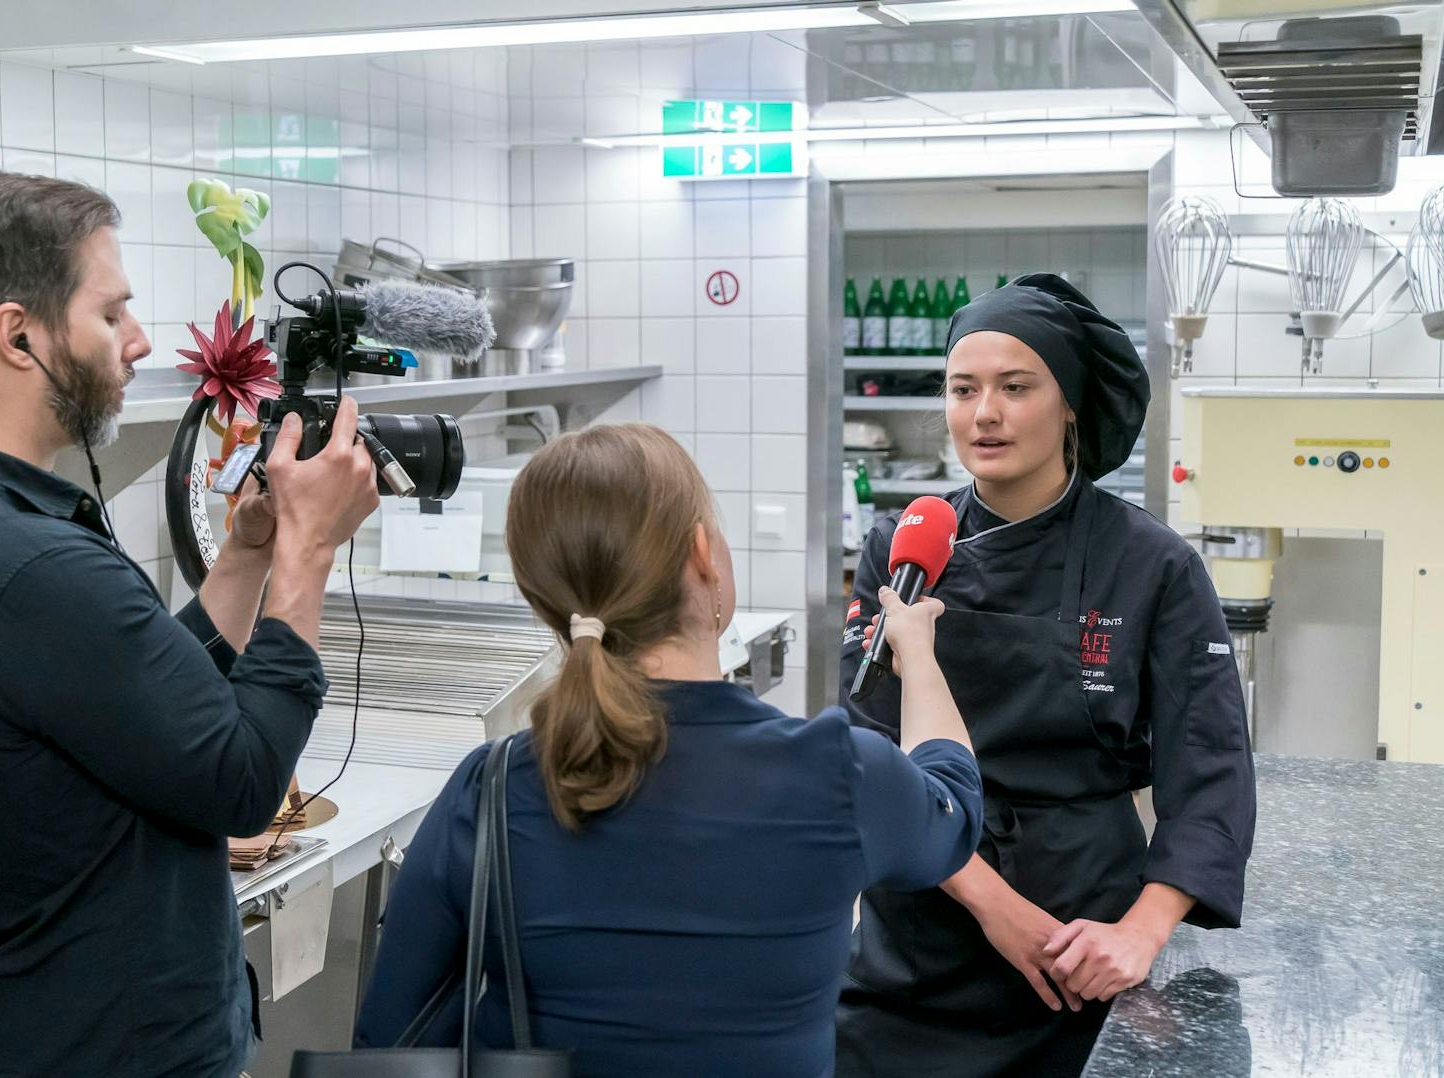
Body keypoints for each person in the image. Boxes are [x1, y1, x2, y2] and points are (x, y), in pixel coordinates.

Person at [0, 172, 381, 1076]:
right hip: (113, 1047)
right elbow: (242, 779)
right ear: (17, 335)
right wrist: (309, 549)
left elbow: (134, 699)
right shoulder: (31, 566)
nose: (140, 341)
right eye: (113, 314)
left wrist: (248, 552)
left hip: (50, 1023)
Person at [355, 422, 983, 1077]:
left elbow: (394, 1037)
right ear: (702, 555)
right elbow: (956, 810)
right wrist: (916, 652)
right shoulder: (841, 774)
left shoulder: (492, 788)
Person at [836, 273, 1257, 1077]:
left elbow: (1210, 771)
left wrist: (1140, 932)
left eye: (1015, 387)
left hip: (1082, 952)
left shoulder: (1151, 564)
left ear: (1070, 404)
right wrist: (997, 909)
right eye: (964, 389)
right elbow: (872, 761)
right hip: (922, 939)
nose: (984, 412)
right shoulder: (904, 546)